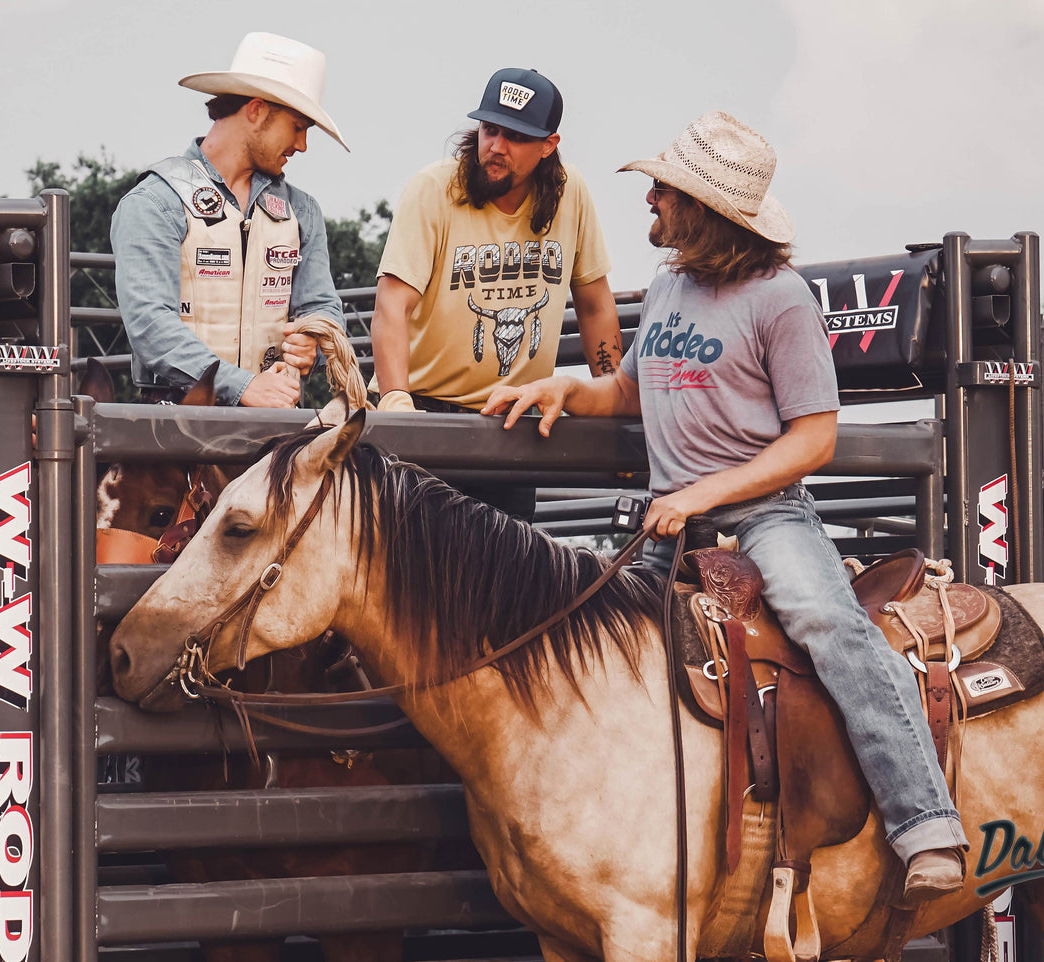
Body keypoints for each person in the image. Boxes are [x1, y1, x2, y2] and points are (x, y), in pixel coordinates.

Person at [482, 111, 968, 901]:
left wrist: (704, 491)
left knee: (828, 625)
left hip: (765, 519)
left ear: (701, 209)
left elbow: (814, 440)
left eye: (663, 191)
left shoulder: (780, 300)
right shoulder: (671, 285)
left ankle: (926, 827)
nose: (650, 202)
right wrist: (564, 388)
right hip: (672, 522)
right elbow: (631, 391)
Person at [369, 67, 622, 518]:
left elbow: (595, 303)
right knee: (410, 578)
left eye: (516, 136)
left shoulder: (571, 193)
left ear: (549, 145)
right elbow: (391, 303)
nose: (496, 147)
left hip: (512, 421)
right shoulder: (433, 188)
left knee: (503, 583)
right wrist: (396, 403)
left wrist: (614, 396)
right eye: (490, 129)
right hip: (424, 410)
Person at [111, 32, 347, 407]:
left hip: (276, 420)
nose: (302, 145)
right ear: (256, 111)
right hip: (175, 422)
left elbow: (325, 310)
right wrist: (245, 387)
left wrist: (314, 342)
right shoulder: (155, 201)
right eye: (298, 126)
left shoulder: (303, 211)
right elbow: (150, 324)